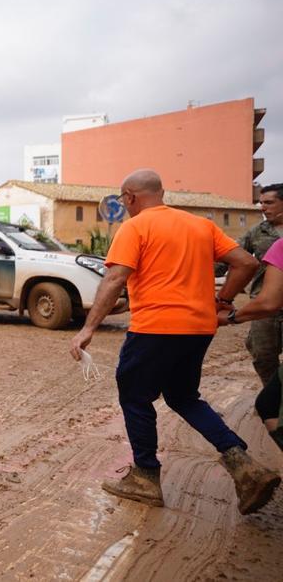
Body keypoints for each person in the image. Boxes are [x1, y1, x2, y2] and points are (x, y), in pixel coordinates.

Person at [70, 169, 279, 514]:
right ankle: (244, 466)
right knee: (183, 397)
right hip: (198, 329)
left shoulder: (135, 227)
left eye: (124, 200)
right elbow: (245, 263)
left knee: (135, 396)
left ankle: (145, 476)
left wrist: (88, 328)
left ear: (130, 197)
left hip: (154, 328)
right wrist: (223, 301)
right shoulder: (200, 226)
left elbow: (114, 278)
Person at [217, 236, 283, 452]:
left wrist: (230, 315)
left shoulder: (281, 246)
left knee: (269, 406)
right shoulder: (257, 233)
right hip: (264, 316)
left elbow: (268, 301)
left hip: (263, 308)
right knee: (263, 356)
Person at [239, 183, 283, 385]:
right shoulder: (257, 232)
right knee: (262, 355)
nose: (263, 207)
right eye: (261, 203)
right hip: (263, 306)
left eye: (269, 202)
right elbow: (232, 258)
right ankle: (273, 395)